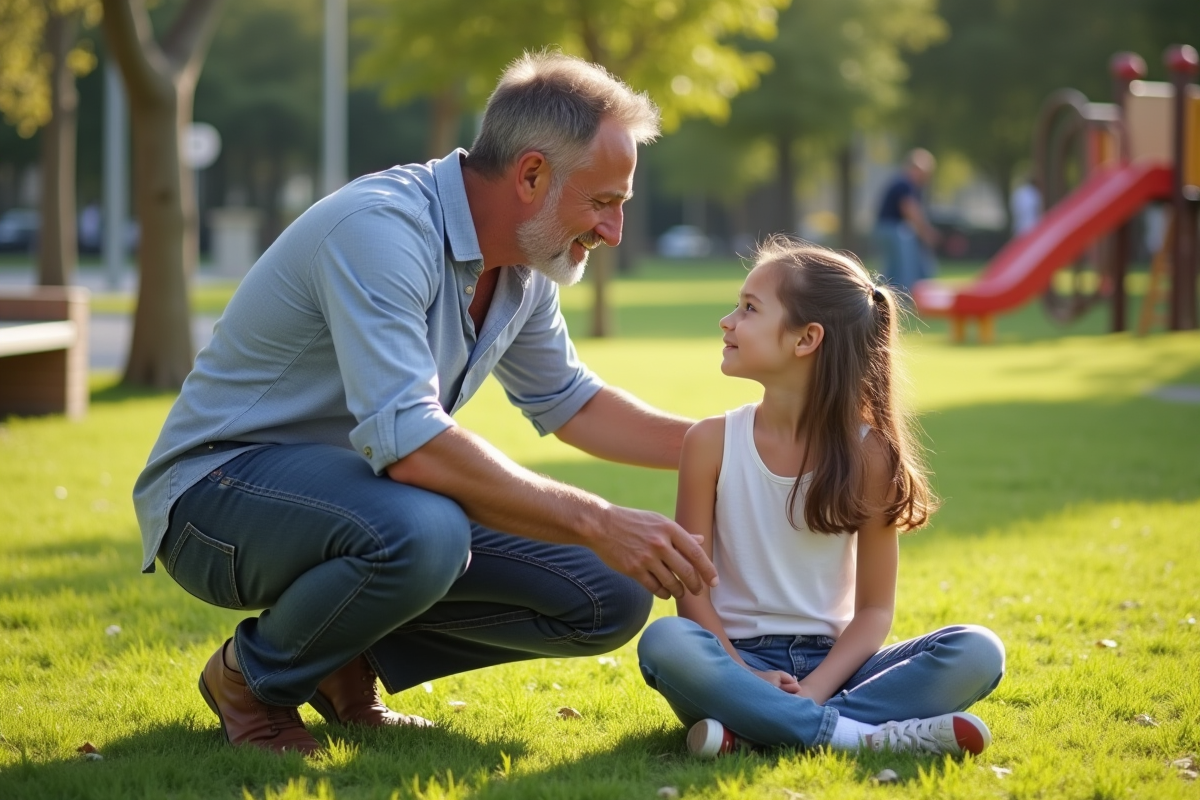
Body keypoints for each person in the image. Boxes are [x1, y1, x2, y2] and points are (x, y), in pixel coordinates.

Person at [133, 52, 717, 755]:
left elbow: (572, 404)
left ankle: (342, 662)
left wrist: (749, 444)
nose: (614, 232)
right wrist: (597, 517)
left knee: (609, 592)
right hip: (215, 501)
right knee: (427, 531)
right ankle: (250, 680)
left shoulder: (522, 268)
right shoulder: (380, 230)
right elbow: (410, 444)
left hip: (360, 503)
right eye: (604, 202)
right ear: (531, 175)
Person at [637, 239, 1005, 758]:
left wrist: (813, 690)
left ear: (806, 339)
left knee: (977, 651)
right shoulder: (709, 443)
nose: (727, 321)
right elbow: (691, 593)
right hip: (729, 663)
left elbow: (875, 610)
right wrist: (746, 675)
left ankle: (759, 730)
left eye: (748, 308)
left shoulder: (869, 455)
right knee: (666, 643)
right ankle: (854, 736)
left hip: (838, 667)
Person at [874, 148, 940, 294]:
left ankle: (883, 296)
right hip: (894, 229)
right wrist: (926, 232)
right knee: (904, 266)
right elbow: (910, 211)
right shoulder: (905, 184)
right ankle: (902, 297)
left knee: (891, 267)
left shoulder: (901, 182)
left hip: (884, 228)